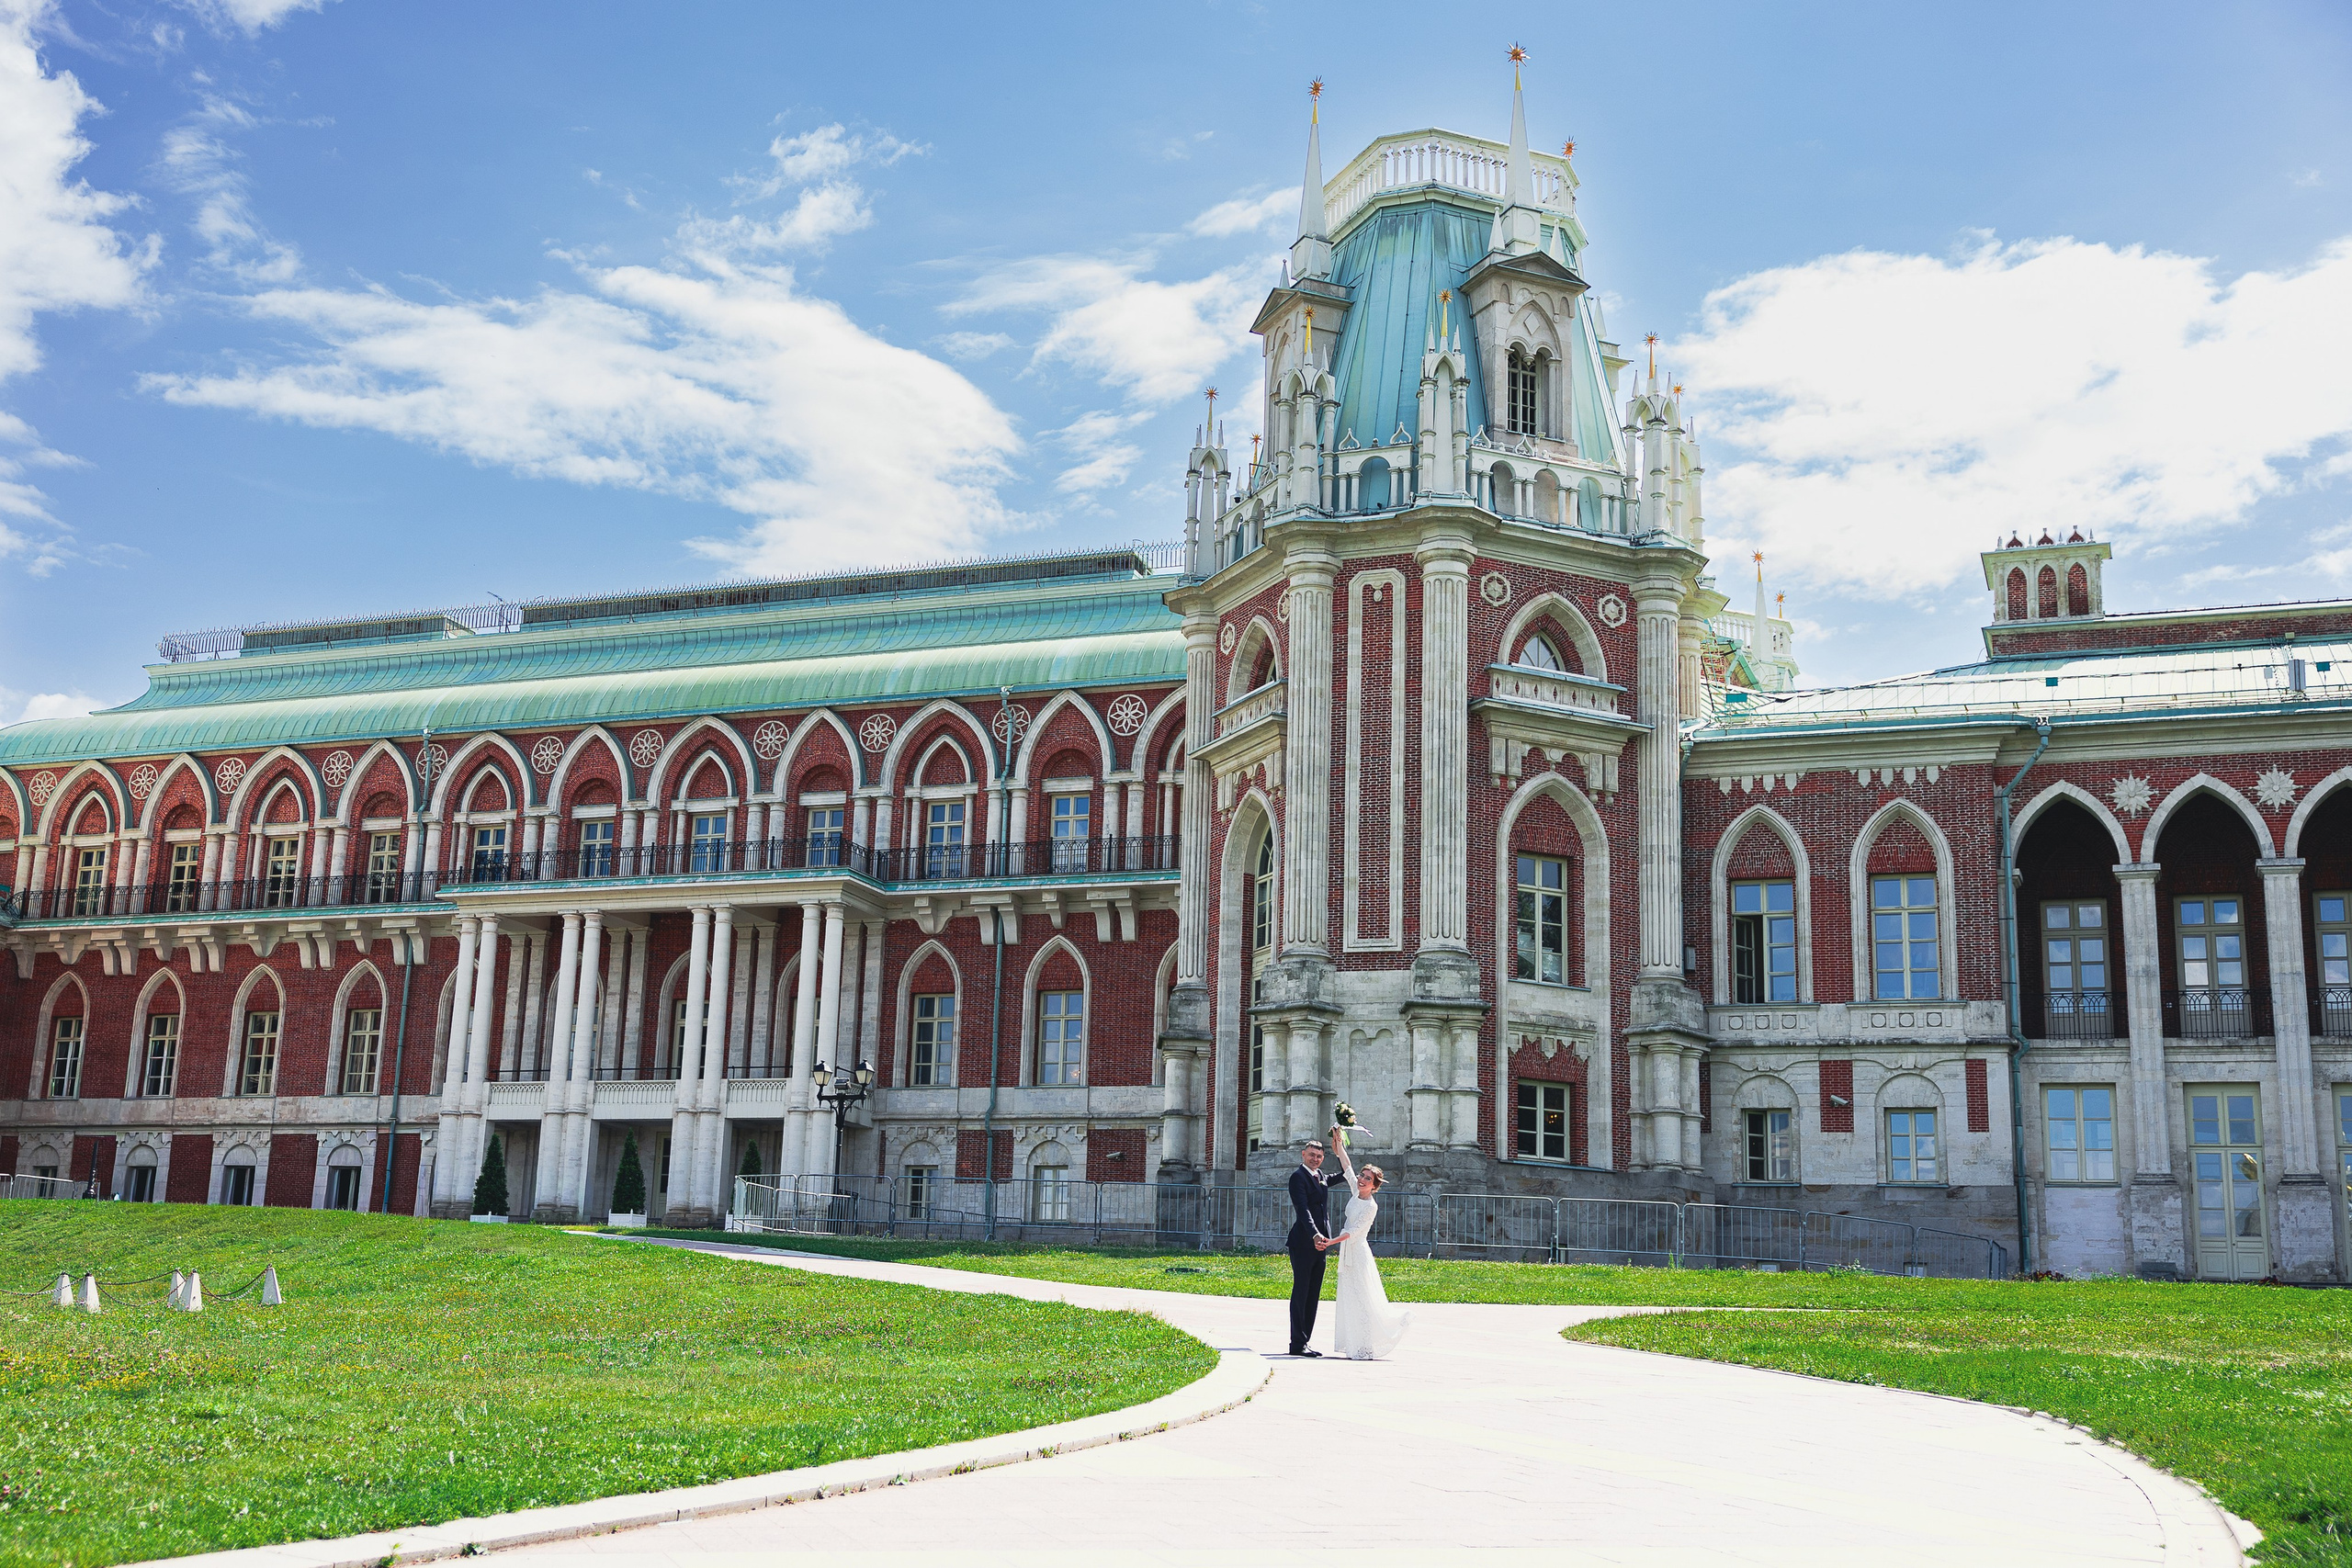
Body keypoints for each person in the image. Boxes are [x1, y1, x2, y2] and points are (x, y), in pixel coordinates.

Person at [1326, 1124, 1411, 1361]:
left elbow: (1352, 1233)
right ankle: (1355, 1344)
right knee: (1349, 1298)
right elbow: (1346, 1165)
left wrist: (1330, 1241)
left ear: (1375, 1185)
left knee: (1363, 1299)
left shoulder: (1371, 1206)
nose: (1362, 1180)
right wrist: (1338, 1141)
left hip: (1358, 1254)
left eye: (1367, 1179)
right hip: (1347, 1254)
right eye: (1362, 1176)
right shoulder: (1355, 1192)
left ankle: (1366, 1346)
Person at [1284, 1138, 1348, 1357]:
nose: (1315, 1159)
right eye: (1312, 1155)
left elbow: (1345, 1174)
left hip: (1322, 1244)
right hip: (1303, 1242)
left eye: (1320, 1156)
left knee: (1313, 1293)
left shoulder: (1321, 1177)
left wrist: (1339, 1149)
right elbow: (1302, 1209)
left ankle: (1305, 1341)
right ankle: (1297, 1343)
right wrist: (1314, 1234)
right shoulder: (1297, 1177)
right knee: (1301, 1291)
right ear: (1303, 1154)